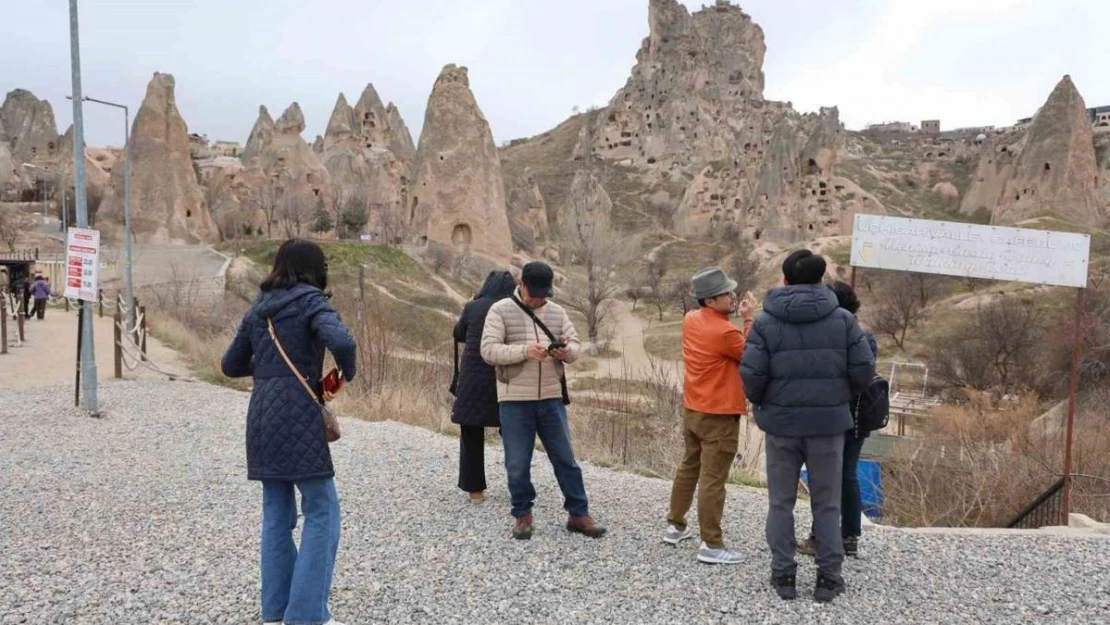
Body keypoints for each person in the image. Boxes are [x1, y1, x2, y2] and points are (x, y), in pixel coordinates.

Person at [221, 239, 357, 625]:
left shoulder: (257, 308)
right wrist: (347, 372)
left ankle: (276, 611)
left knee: (276, 514)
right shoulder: (312, 301)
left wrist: (270, 370)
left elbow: (230, 365)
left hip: (262, 413)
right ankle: (307, 617)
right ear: (314, 269)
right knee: (322, 510)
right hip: (298, 411)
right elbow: (342, 341)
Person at [740, 250, 875, 603]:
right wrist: (837, 397)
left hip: (782, 426)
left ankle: (783, 574)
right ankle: (829, 580)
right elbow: (864, 372)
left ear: (784, 280)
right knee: (827, 504)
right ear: (820, 280)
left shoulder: (766, 322)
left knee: (781, 503)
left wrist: (765, 402)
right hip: (829, 426)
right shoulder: (844, 321)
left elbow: (752, 375)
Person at [480, 261, 606, 540]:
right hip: (514, 399)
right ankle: (522, 514)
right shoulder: (499, 311)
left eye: (543, 294)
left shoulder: (557, 311)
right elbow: (488, 351)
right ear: (521, 284)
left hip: (551, 398)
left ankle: (579, 513)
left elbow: (575, 345)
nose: (538, 299)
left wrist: (566, 352)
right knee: (517, 462)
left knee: (566, 459)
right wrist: (524, 351)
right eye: (533, 292)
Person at [664, 267, 756, 564]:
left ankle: (675, 526)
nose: (732, 297)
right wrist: (749, 319)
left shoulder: (691, 319)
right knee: (713, 480)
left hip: (694, 408)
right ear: (710, 300)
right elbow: (752, 354)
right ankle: (712, 545)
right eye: (726, 294)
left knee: (689, 468)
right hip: (719, 413)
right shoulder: (725, 331)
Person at [798, 281, 879, 559]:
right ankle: (849, 536)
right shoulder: (865, 335)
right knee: (848, 475)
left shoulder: (837, 333)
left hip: (834, 416)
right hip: (860, 418)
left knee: (826, 478)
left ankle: (820, 537)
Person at [451, 270, 518, 503]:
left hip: (473, 381)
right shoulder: (514, 308)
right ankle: (517, 487)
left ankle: (475, 491)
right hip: (506, 378)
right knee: (513, 434)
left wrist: (467, 305)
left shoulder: (474, 308)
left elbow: (458, 334)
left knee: (471, 435)